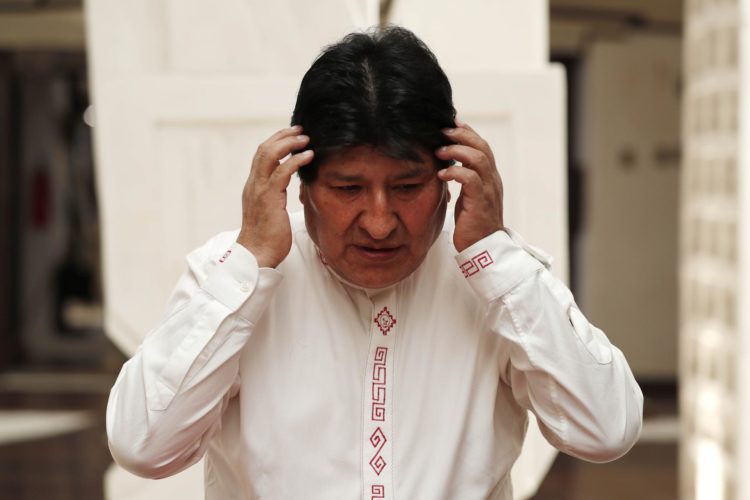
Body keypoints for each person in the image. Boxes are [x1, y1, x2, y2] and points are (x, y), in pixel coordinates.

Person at [106, 26, 643, 499]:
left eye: (407, 186)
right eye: (348, 188)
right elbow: (144, 448)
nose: (380, 222)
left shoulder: (497, 281)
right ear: (299, 181)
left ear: (451, 176)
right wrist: (247, 268)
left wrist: (497, 257)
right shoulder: (232, 275)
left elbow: (606, 430)